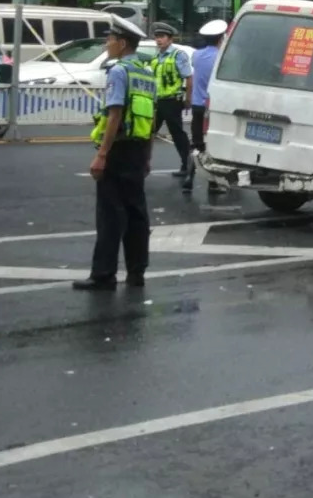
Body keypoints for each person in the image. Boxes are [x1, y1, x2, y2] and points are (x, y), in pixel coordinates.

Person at [73, 15, 157, 291]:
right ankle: (136, 272)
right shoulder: (146, 73)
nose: (106, 44)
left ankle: (104, 274)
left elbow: (115, 114)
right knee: (136, 213)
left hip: (118, 149)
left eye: (109, 39)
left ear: (122, 43)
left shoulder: (119, 71)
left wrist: (102, 155)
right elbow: (151, 121)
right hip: (137, 150)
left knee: (110, 214)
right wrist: (147, 157)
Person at [183, 19, 228, 194]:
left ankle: (189, 177)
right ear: (220, 38)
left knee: (196, 143)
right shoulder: (221, 57)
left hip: (197, 106)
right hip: (213, 108)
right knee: (213, 145)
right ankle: (213, 182)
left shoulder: (196, 55)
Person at [151, 22, 193, 178]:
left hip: (172, 101)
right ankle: (141, 163)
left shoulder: (178, 55)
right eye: (157, 37)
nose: (158, 40)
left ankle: (188, 165)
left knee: (177, 134)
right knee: (148, 132)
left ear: (170, 39)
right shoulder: (156, 56)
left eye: (162, 37)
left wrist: (188, 98)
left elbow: (188, 77)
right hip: (157, 101)